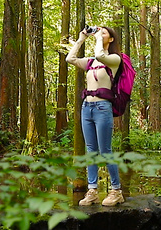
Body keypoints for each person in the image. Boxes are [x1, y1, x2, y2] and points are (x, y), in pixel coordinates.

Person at [66, 26, 125, 207]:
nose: (100, 35)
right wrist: (82, 38)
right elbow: (70, 58)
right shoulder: (91, 62)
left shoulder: (114, 60)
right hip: (87, 108)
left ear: (111, 39)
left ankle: (116, 191)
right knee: (90, 151)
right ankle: (92, 191)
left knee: (105, 151)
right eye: (100, 33)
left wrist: (98, 38)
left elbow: (101, 55)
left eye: (104, 33)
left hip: (102, 107)